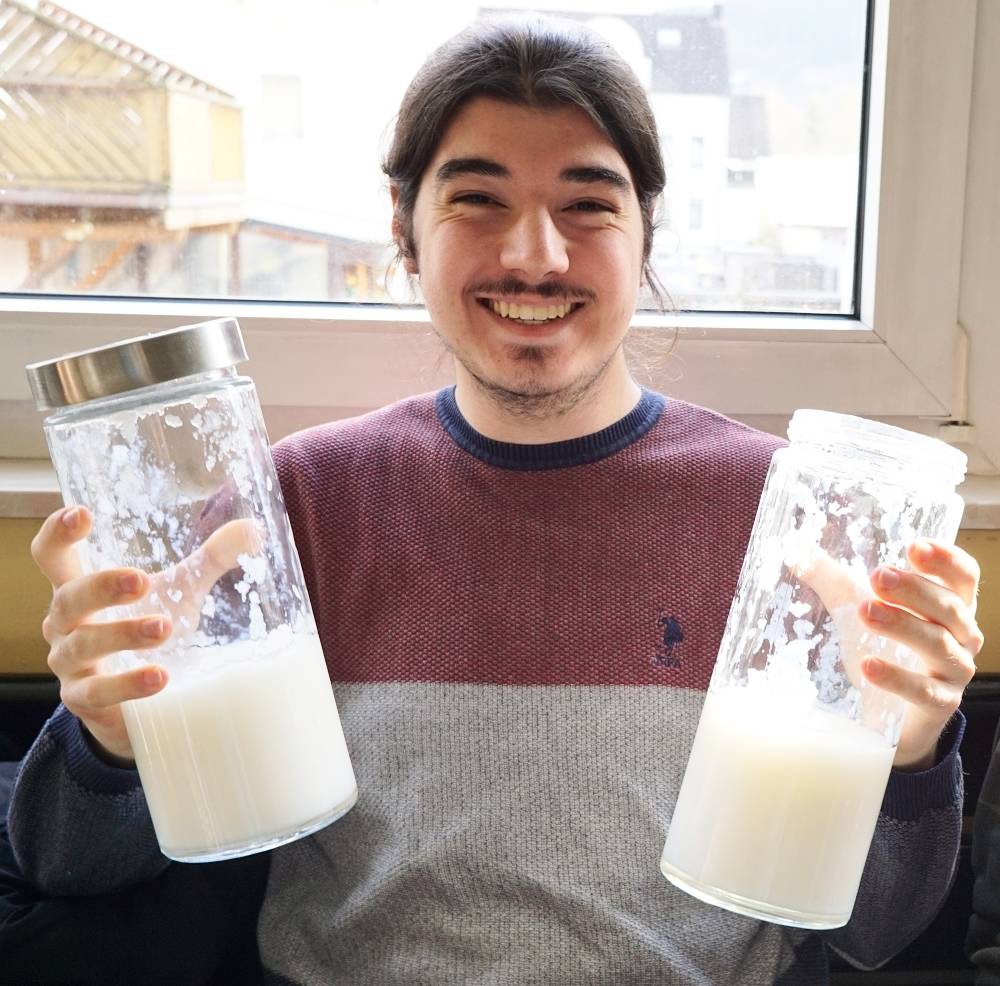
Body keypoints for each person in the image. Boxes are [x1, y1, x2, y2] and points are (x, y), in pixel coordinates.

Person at [5, 16, 984, 986]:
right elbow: (65, 862)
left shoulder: (785, 522)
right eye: (477, 199)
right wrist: (111, 732)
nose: (535, 255)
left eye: (587, 204)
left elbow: (879, 930)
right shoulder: (290, 509)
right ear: (404, 231)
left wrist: (909, 747)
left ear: (646, 232)